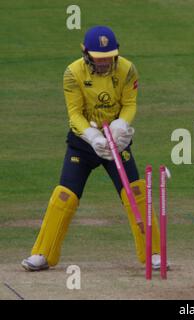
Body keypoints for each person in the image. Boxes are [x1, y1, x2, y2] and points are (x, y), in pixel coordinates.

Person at [21, 26, 162, 271]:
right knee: (65, 196)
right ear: (86, 53)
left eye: (109, 56)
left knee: (135, 192)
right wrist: (92, 137)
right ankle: (43, 253)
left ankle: (154, 253)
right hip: (83, 144)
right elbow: (74, 113)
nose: (105, 62)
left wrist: (121, 125)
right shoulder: (72, 73)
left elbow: (129, 104)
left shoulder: (127, 69)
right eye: (99, 57)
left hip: (116, 141)